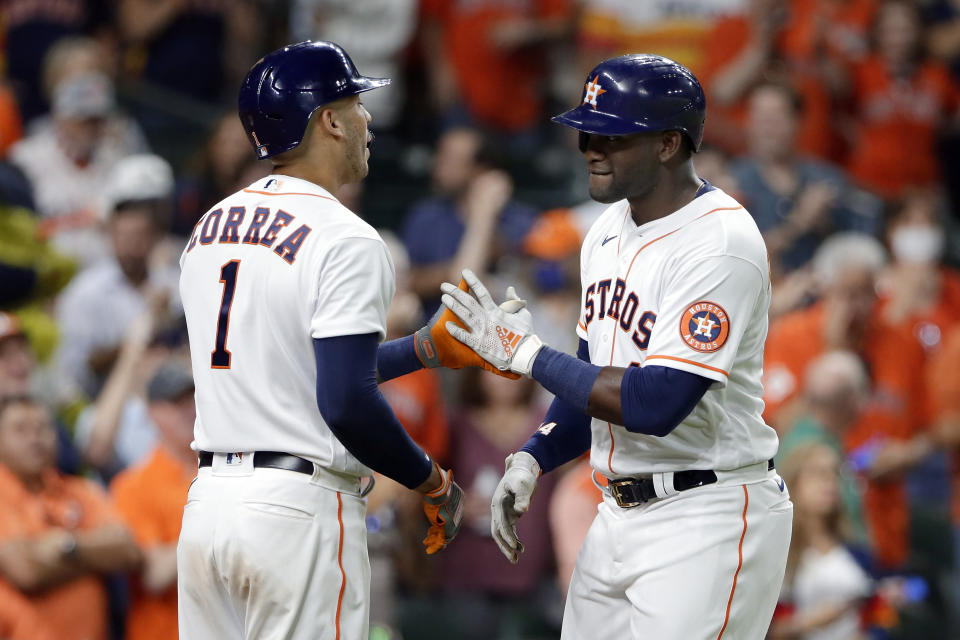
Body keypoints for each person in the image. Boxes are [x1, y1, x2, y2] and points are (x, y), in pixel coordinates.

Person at [442, 55, 793, 638]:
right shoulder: (605, 230)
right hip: (616, 511)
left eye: (612, 135)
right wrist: (536, 455)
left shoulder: (721, 242)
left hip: (706, 513)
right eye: (586, 132)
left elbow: (656, 404)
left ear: (668, 144)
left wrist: (526, 355)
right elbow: (589, 377)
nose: (590, 148)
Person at [176, 41, 469, 639]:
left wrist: (420, 349)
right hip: (295, 514)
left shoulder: (210, 224)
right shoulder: (348, 237)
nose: (368, 123)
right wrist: (430, 480)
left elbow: (291, 370)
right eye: (357, 104)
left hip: (208, 507)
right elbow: (346, 403)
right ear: (329, 120)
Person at [763, 233, 930, 571]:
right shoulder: (790, 336)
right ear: (825, 289)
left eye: (866, 293)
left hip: (882, 523)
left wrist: (907, 453)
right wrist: (832, 352)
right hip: (813, 537)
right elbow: (778, 431)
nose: (858, 306)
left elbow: (927, 431)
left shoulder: (901, 342)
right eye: (846, 293)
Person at [0, 396, 141, 640]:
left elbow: (128, 551)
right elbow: (25, 570)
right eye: (20, 429)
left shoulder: (82, 490)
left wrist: (68, 547)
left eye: (43, 428)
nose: (35, 438)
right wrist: (95, 553)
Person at [111, 360, 198, 640]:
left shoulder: (224, 470)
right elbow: (154, 573)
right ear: (152, 413)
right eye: (176, 403)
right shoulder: (132, 485)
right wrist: (220, 530)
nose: (190, 411)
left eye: (192, 400)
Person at [770, 443, 873, 640]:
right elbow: (769, 631)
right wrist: (811, 622)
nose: (830, 482)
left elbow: (876, 614)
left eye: (835, 474)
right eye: (818, 473)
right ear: (794, 481)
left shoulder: (855, 548)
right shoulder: (779, 552)